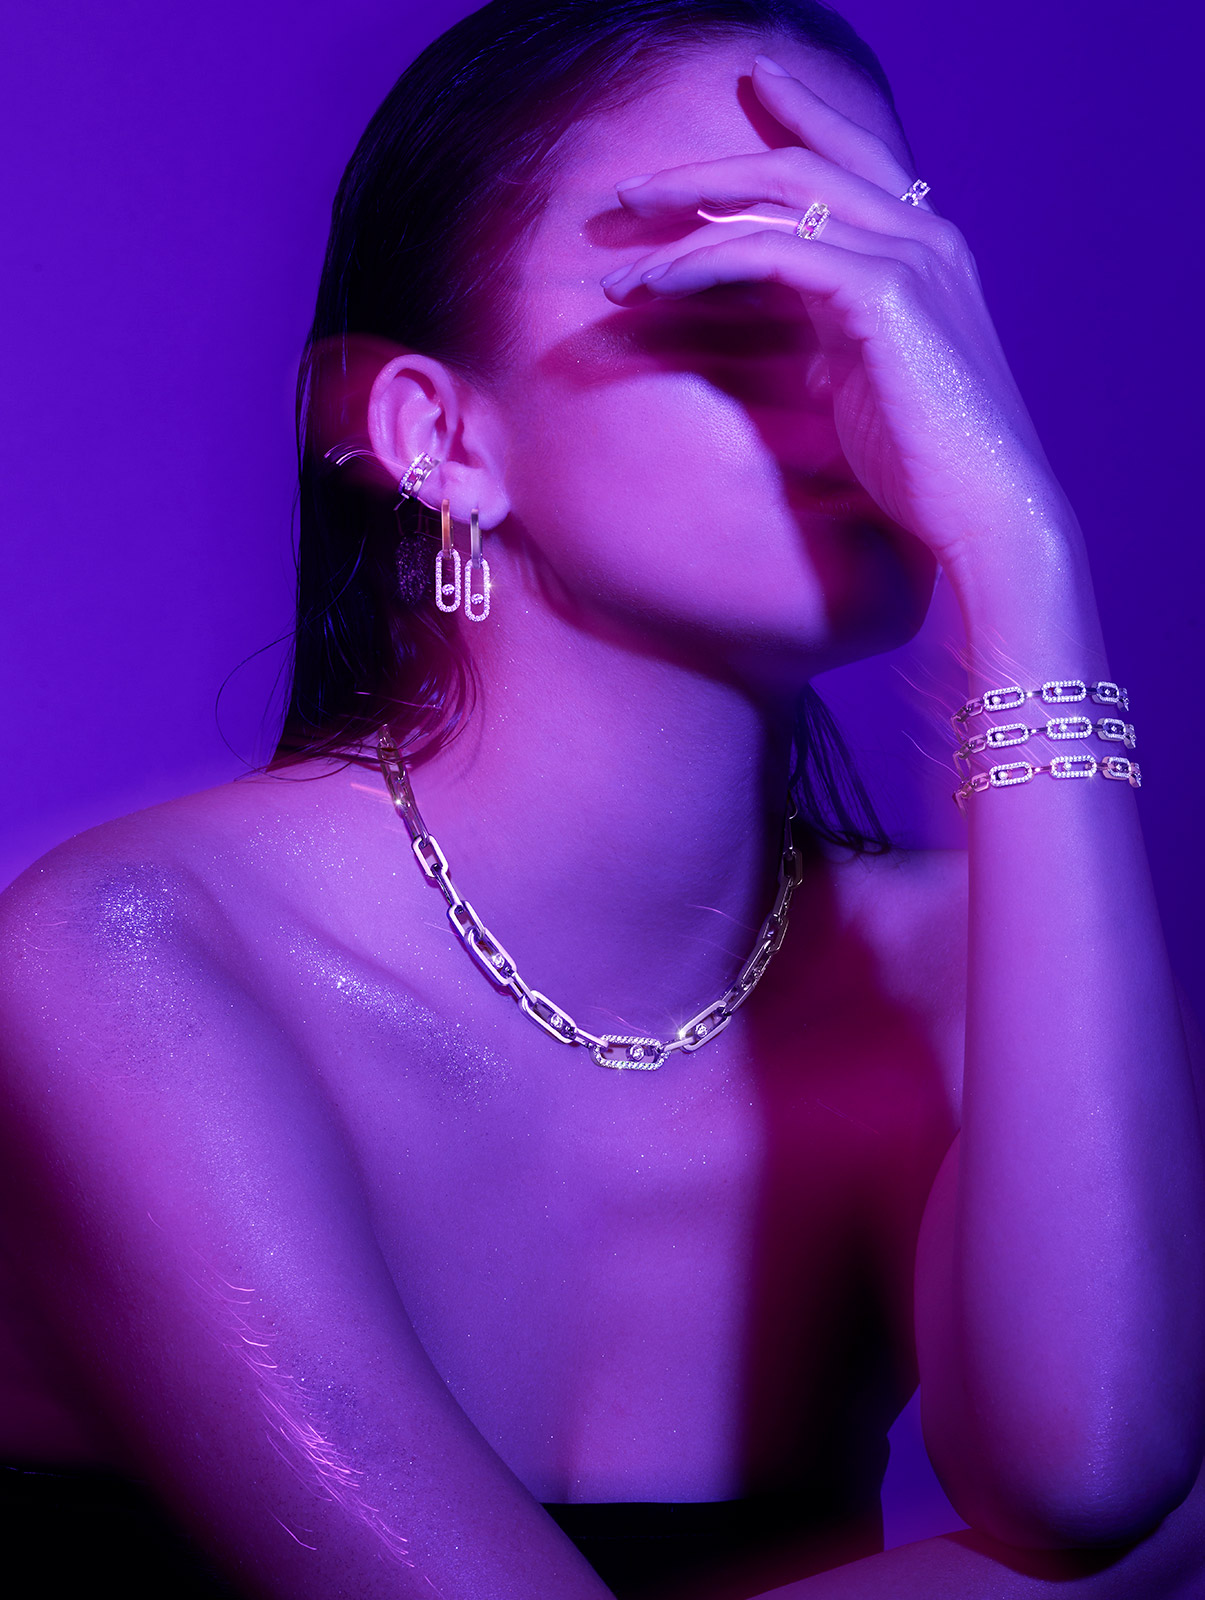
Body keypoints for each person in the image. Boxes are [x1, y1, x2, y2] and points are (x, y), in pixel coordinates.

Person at [1, 1, 1204, 1595]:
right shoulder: (128, 962)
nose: (868, 386)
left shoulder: (966, 967)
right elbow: (1118, 1548)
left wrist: (1022, 563)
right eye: (735, 291)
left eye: (893, 285)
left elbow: (1092, 1472)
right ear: (439, 438)